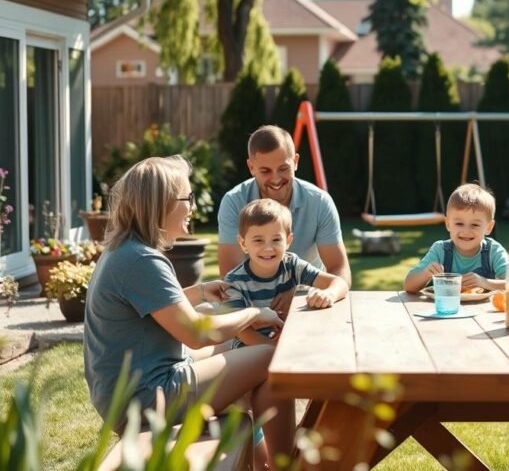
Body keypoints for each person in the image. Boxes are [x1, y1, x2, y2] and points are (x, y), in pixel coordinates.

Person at [83, 155, 292, 469]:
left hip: (127, 395)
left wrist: (200, 291)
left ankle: (265, 461)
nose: (192, 206)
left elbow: (154, 309)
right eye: (187, 198)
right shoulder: (142, 260)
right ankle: (286, 464)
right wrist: (254, 313)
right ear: (162, 204)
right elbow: (196, 334)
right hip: (146, 401)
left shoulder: (123, 251)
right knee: (267, 356)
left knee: (229, 349)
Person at [218, 125, 351, 314]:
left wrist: (299, 296)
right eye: (265, 171)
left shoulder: (319, 202)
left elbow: (339, 270)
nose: (276, 179)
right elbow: (229, 275)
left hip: (309, 303)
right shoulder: (233, 202)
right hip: (252, 308)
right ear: (251, 167)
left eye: (283, 168)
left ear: (295, 161)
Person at [224, 198, 348, 347]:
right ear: (243, 244)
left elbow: (339, 283)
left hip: (289, 340)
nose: (268, 248)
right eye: (258, 240)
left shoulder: (292, 265)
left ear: (288, 241)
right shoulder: (234, 281)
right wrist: (275, 349)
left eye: (276, 239)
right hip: (250, 349)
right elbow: (242, 332)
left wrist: (329, 294)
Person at [404, 183, 509, 293]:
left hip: (483, 309)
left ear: (489, 227)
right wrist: (425, 274)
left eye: (475, 225)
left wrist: (485, 282)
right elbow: (408, 286)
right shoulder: (440, 250)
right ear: (448, 224)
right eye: (459, 223)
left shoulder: (494, 251)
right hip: (446, 307)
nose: (466, 231)